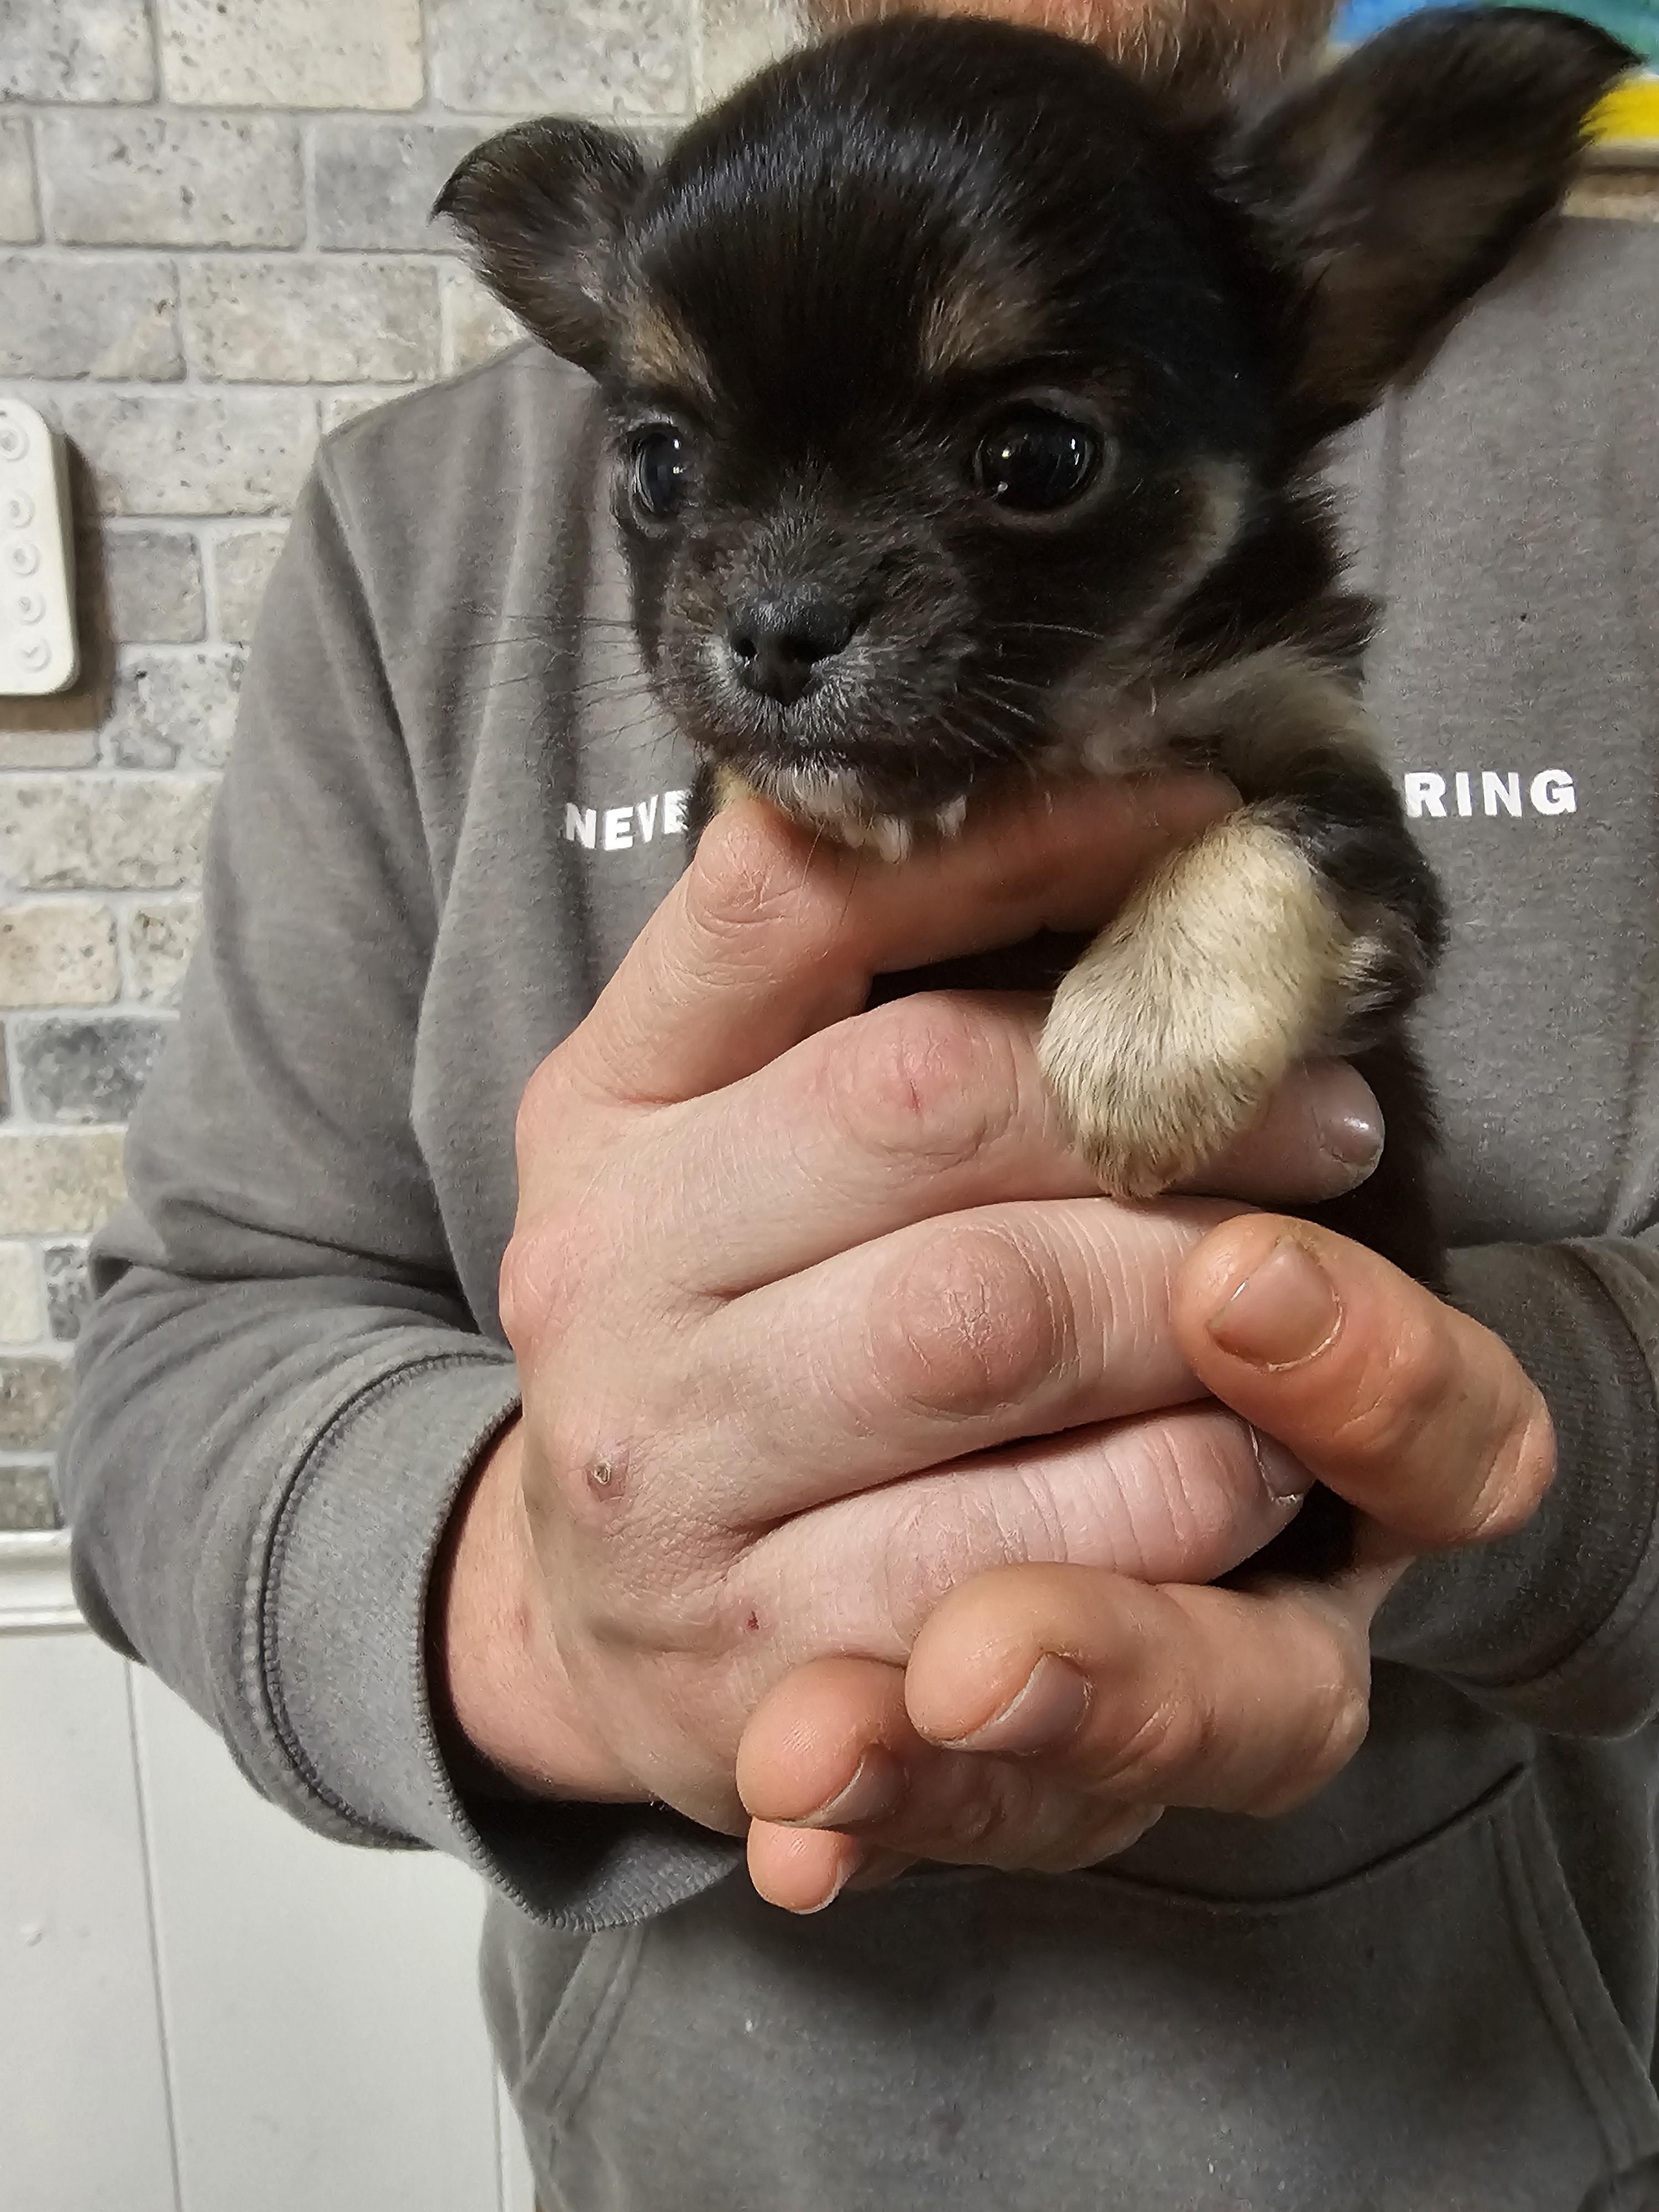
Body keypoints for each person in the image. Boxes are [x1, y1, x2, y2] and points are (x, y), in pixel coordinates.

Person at [58, 0, 1659, 2203]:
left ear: (1332, 313)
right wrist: (542, 1605)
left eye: (1027, 458)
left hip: (1485, 2120)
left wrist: (1471, 1451)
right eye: (668, 473)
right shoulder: (400, 528)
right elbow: (183, 1343)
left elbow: (1330, 898)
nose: (776, 599)